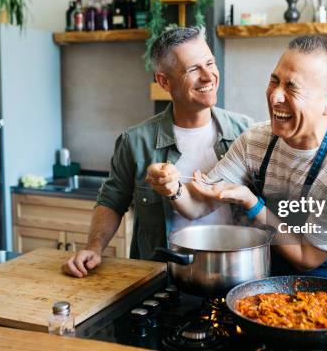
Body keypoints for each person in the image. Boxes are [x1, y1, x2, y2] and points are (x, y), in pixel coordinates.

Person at [146, 35, 327, 286]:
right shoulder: (256, 140)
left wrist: (252, 203)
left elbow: (306, 258)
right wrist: (173, 189)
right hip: (273, 284)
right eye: (274, 80)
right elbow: (199, 205)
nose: (275, 96)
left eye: (292, 87)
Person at [61, 26, 252, 277]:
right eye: (193, 69)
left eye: (210, 63)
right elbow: (111, 201)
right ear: (164, 81)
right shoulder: (135, 141)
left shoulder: (246, 132)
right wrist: (94, 248)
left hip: (233, 275)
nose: (208, 76)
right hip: (161, 280)